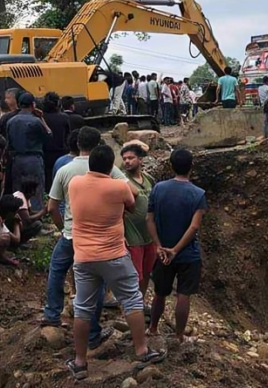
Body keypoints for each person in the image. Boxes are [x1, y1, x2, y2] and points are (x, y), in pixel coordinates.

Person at [66, 145, 165, 380]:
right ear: (112, 166)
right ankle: (142, 350)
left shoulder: (75, 184)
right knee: (131, 299)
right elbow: (132, 204)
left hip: (83, 258)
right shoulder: (119, 186)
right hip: (114, 255)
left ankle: (80, 362)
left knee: (82, 307)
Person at [42, 127, 138, 343]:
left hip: (71, 234)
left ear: (77, 145)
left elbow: (52, 207)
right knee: (97, 282)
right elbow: (132, 192)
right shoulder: (107, 168)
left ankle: (52, 314)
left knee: (57, 271)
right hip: (99, 239)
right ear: (98, 147)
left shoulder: (65, 170)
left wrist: (62, 228)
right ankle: (93, 333)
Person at [147, 148, 207, 342]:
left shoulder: (158, 189)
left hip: (163, 252)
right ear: (192, 167)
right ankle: (179, 334)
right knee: (184, 294)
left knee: (160, 292)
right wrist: (176, 249)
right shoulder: (198, 194)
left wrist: (159, 246)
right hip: (187, 254)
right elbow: (194, 226)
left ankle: (153, 328)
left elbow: (149, 219)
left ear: (171, 166)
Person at [121, 144, 156, 304]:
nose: (127, 161)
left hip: (149, 235)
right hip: (132, 235)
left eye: (130, 158)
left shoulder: (149, 179)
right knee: (135, 273)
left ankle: (140, 302)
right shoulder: (122, 181)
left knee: (147, 270)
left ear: (140, 160)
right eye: (125, 159)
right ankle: (132, 306)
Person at [6, 93, 52, 211]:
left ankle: (20, 218)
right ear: (33, 105)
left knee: (18, 190)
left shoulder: (11, 121)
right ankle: (36, 219)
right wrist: (42, 118)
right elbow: (49, 136)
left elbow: (8, 143)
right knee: (36, 189)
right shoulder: (36, 121)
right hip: (33, 160)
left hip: (16, 160)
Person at [42, 92, 71, 192]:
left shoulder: (41, 118)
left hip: (44, 154)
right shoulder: (64, 117)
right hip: (61, 153)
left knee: (47, 184)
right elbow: (68, 135)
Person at [12, 178, 45, 245]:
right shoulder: (20, 197)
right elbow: (28, 220)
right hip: (13, 225)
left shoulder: (25, 197)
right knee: (37, 224)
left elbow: (30, 211)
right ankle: (21, 242)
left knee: (38, 218)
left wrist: (41, 213)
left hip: (18, 223)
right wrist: (43, 212)